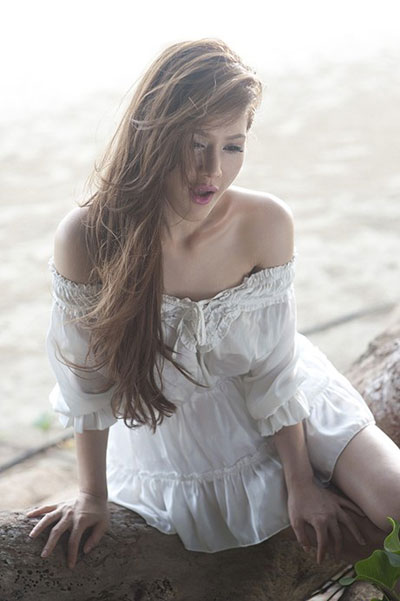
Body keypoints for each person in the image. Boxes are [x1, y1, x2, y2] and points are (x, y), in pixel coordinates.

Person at [27, 39, 400, 574]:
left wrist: (301, 483)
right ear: (153, 135)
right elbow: (86, 384)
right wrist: (91, 494)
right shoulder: (89, 236)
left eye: (233, 146)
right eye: (196, 143)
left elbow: (274, 368)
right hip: (177, 434)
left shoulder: (265, 222)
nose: (212, 171)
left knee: (394, 507)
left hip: (290, 403)